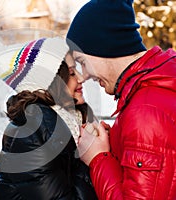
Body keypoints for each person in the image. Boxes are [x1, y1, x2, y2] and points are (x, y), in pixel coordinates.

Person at [66, 0, 176, 199]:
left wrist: (97, 158)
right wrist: (113, 141)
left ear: (103, 48)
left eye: (82, 62)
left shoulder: (146, 112)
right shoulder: (156, 86)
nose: (83, 76)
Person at [0, 37, 97, 199]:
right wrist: (90, 157)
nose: (81, 78)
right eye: (71, 73)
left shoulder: (74, 124)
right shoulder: (29, 134)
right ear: (48, 83)